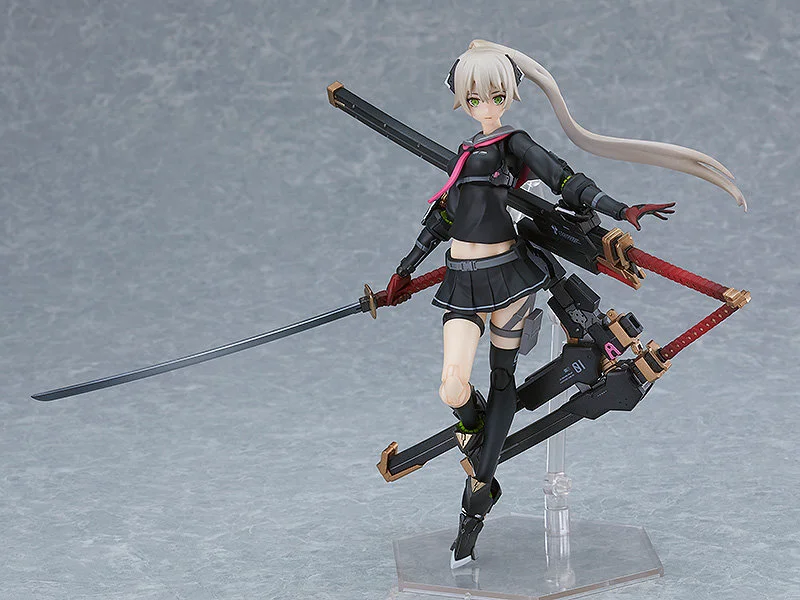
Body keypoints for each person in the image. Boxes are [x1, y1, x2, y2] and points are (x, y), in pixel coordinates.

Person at [384, 40, 745, 568]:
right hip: (461, 280)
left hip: (509, 277)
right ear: (460, 98)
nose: (485, 104)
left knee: (502, 380)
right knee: (452, 387)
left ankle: (479, 493)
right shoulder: (463, 155)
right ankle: (478, 429)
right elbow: (444, 217)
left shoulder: (513, 144)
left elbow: (564, 179)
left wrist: (618, 208)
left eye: (495, 94)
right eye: (475, 96)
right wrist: (404, 269)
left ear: (509, 94)